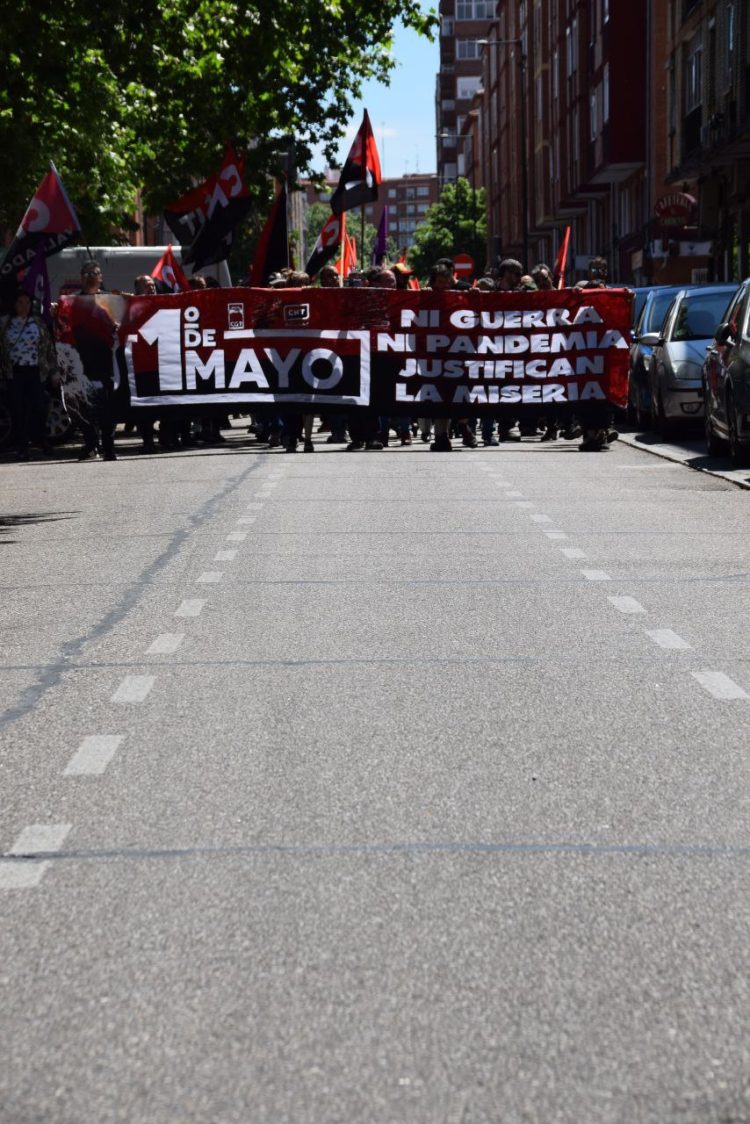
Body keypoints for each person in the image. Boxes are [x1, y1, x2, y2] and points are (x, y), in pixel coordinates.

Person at [0, 290, 58, 460]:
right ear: (15, 305)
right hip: (15, 372)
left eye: (27, 303)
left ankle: (40, 438)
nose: (24, 306)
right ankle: (23, 446)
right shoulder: (5, 324)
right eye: (20, 303)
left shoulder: (38, 324)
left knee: (40, 407)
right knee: (18, 409)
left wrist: (54, 371)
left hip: (36, 371)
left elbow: (48, 349)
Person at [574, 256, 618, 451]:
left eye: (601, 270)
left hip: (604, 362)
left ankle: (601, 431)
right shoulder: (580, 304)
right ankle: (589, 434)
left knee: (604, 399)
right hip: (585, 363)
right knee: (586, 400)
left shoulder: (614, 299)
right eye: (594, 269)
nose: (598, 273)